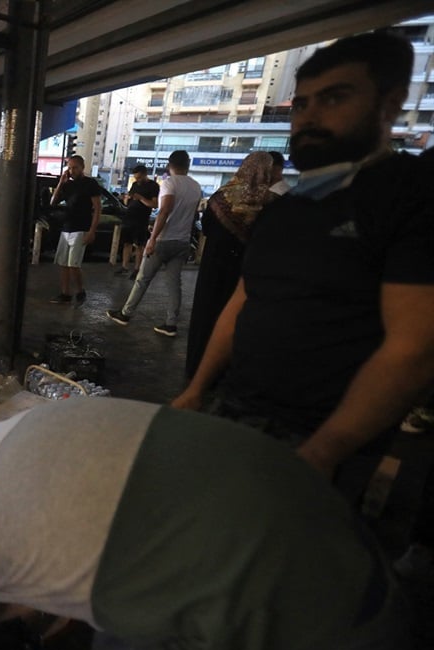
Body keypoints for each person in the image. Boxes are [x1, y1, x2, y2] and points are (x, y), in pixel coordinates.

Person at [0, 398, 409, 650]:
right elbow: (73, 543)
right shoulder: (37, 418)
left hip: (320, 642)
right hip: (363, 560)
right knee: (115, 624)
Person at [172, 31, 434, 505]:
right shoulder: (288, 205)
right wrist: (197, 389)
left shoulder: (410, 195)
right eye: (302, 104)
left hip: (326, 434)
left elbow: (413, 348)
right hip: (239, 409)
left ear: (390, 104)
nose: (309, 117)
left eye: (335, 98)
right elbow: (244, 300)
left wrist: (323, 451)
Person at [184, 151, 275, 378]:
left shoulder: (220, 198)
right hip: (249, 274)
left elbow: (206, 228)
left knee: (207, 318)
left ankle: (198, 369)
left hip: (214, 269)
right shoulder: (271, 203)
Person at [107, 150, 202, 336]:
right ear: (188, 164)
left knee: (143, 279)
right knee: (174, 284)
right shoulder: (196, 186)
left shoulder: (169, 183)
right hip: (182, 241)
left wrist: (152, 239)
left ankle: (125, 314)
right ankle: (171, 323)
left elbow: (164, 211)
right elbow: (193, 214)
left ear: (169, 165)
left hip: (164, 240)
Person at [49, 154, 101, 305]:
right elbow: (53, 201)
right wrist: (60, 182)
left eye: (75, 168)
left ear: (82, 168)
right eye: (69, 168)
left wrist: (92, 231)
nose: (72, 171)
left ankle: (80, 291)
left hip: (81, 228)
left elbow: (97, 208)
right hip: (67, 227)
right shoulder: (67, 185)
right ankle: (65, 293)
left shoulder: (90, 184)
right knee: (63, 263)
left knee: (73, 264)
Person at [115, 164, 158, 279]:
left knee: (139, 244)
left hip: (141, 219)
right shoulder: (134, 185)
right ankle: (124, 266)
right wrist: (126, 199)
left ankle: (137, 268)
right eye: (135, 177)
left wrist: (141, 198)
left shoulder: (153, 186)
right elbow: (129, 200)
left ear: (145, 174)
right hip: (129, 216)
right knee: (127, 243)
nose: (137, 180)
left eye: (139, 177)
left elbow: (154, 204)